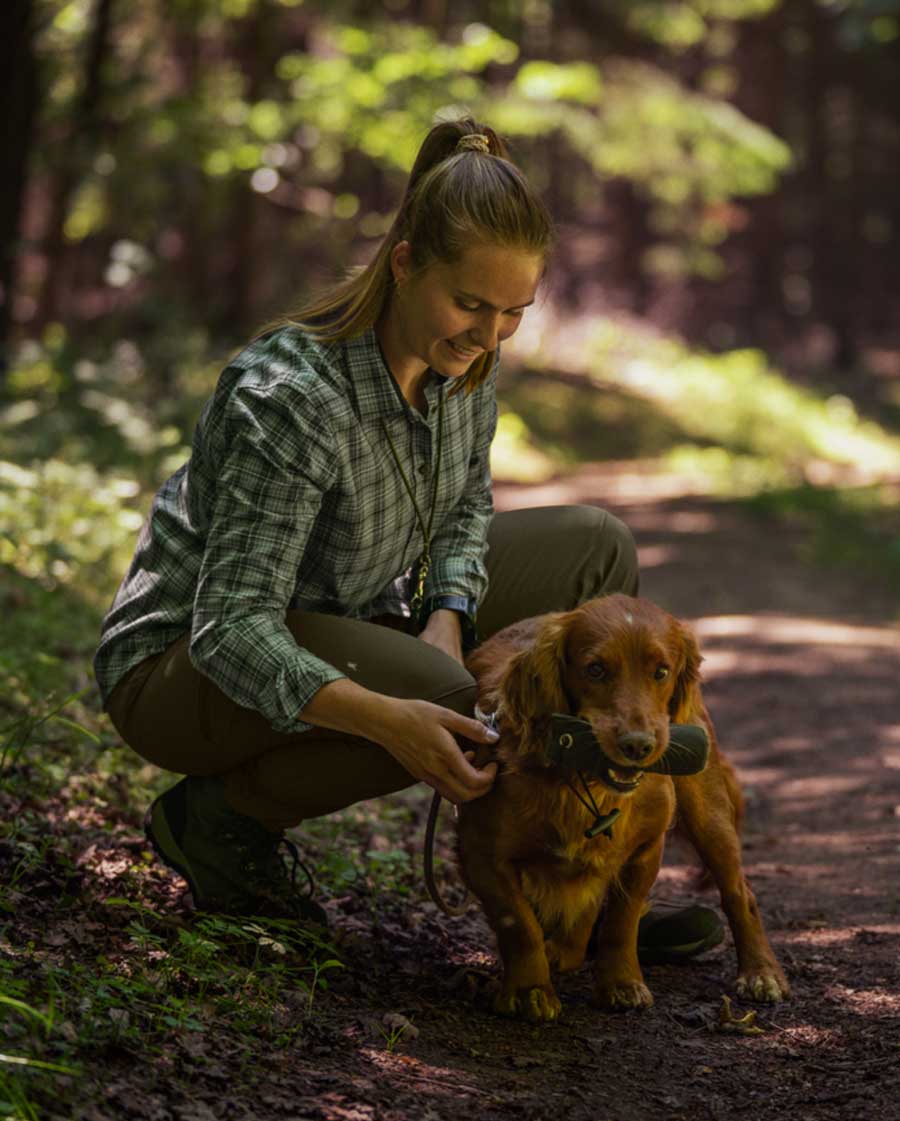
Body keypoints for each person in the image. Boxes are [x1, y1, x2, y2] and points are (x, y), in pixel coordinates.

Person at [94, 116, 721, 960]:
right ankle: (217, 822)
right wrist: (395, 719)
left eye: (513, 313)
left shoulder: (466, 367)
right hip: (183, 674)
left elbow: (465, 511)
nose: (488, 335)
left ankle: (587, 874)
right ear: (402, 264)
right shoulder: (291, 398)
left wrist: (449, 610)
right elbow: (231, 628)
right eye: (469, 304)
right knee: (446, 698)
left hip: (348, 615)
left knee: (596, 549)